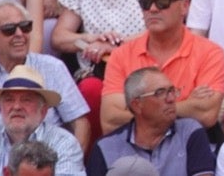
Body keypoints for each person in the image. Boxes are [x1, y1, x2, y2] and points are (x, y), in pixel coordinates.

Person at [97, 0, 224, 133]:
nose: (152, 9)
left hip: (186, 147)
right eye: (145, 4)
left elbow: (206, 114)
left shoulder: (210, 53)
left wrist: (141, 108)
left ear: (184, 6)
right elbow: (110, 120)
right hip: (134, 151)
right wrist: (186, 105)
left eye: (162, 3)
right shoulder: (121, 55)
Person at [0, 0, 88, 153]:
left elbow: (80, 123)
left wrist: (68, 162)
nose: (19, 34)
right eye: (9, 29)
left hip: (48, 163)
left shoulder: (53, 68)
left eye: (25, 27)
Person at [85, 66, 216, 176]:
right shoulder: (106, 147)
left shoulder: (189, 132)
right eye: (160, 93)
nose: (171, 99)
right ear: (137, 104)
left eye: (171, 91)